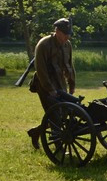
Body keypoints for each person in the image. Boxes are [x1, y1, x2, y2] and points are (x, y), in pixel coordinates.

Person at [26, 18, 78, 148]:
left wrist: (71, 84)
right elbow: (41, 69)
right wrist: (50, 89)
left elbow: (69, 65)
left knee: (65, 113)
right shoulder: (44, 44)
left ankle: (36, 132)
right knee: (54, 115)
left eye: (69, 34)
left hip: (60, 82)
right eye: (65, 34)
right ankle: (58, 145)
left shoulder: (67, 45)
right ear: (57, 31)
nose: (67, 37)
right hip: (43, 84)